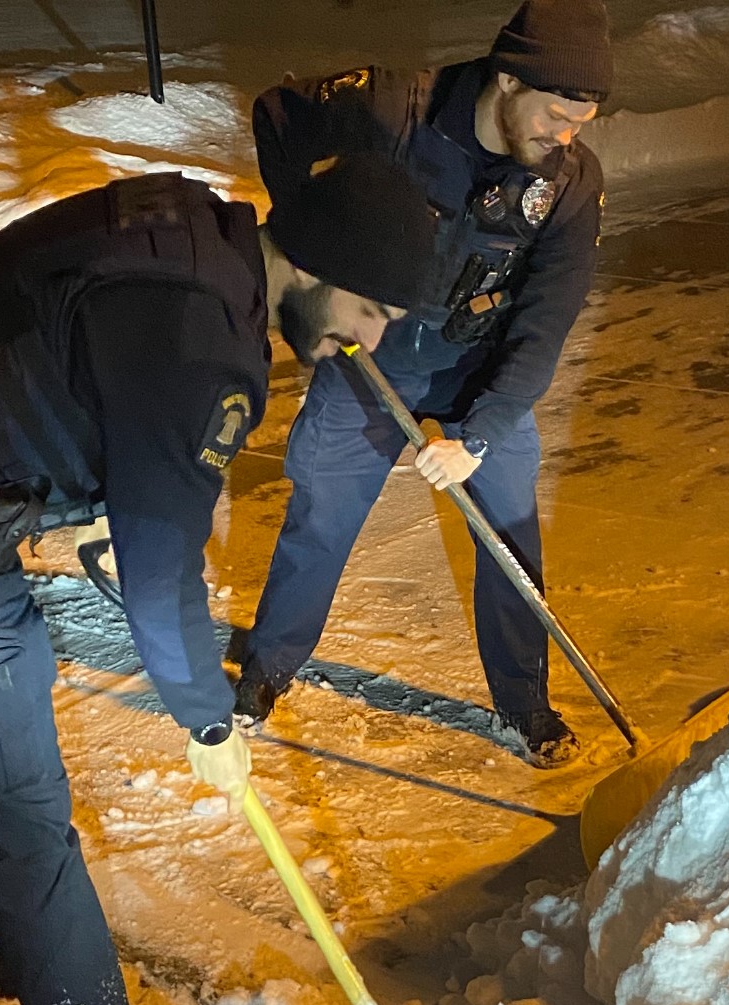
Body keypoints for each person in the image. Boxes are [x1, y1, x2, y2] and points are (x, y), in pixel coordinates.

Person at [0, 155, 436, 1005]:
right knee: (17, 807)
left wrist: (78, 476)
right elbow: (160, 568)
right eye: (371, 309)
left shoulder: (188, 230)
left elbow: (36, 332)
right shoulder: (203, 346)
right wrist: (206, 715)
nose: (370, 340)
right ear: (312, 261)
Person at [233, 0, 612, 767]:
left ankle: (524, 704)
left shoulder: (569, 183)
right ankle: (266, 670)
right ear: (509, 80)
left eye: (580, 123)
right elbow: (276, 115)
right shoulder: (392, 109)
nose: (564, 136)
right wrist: (317, 243)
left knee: (509, 537)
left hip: (480, 374)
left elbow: (546, 321)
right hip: (368, 363)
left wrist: (482, 435)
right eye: (555, 116)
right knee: (319, 520)